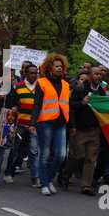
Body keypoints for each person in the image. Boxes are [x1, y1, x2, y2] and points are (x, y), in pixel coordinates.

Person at [29, 54, 73, 196]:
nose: (60, 68)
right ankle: (44, 184)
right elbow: (36, 105)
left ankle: (48, 179)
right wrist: (32, 123)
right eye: (57, 66)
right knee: (45, 154)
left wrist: (72, 125)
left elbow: (68, 106)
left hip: (61, 123)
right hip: (45, 123)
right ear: (50, 68)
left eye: (61, 66)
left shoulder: (66, 85)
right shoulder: (41, 83)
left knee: (61, 155)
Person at [61, 66, 106, 196]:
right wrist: (82, 103)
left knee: (91, 158)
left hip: (94, 130)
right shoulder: (79, 89)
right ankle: (65, 175)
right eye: (96, 74)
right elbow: (70, 107)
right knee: (77, 156)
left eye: (100, 74)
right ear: (90, 76)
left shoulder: (102, 92)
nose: (99, 76)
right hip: (79, 129)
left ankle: (86, 186)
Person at [7, 64, 39, 186]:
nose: (33, 75)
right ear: (25, 74)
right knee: (15, 150)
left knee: (33, 152)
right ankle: (9, 173)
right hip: (19, 124)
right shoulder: (17, 86)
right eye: (31, 73)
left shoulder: (40, 87)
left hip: (33, 125)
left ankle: (35, 178)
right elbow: (14, 103)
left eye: (35, 73)